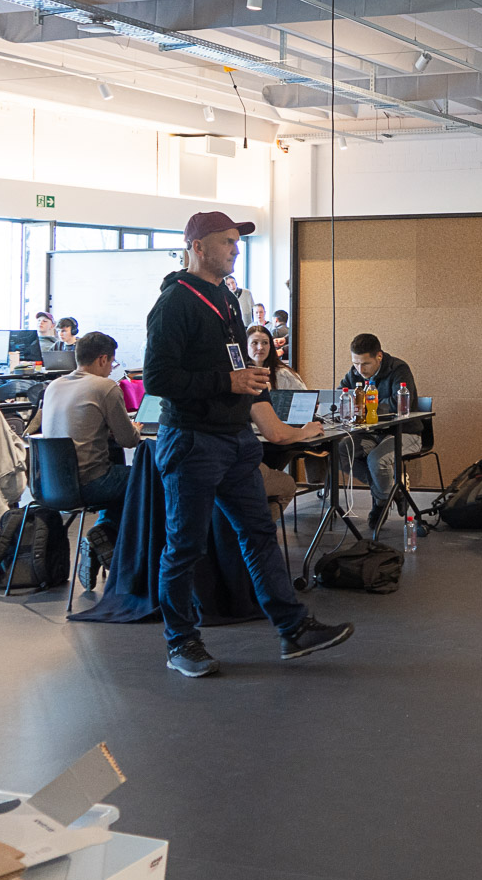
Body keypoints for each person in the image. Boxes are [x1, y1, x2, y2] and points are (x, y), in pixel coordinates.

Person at [143, 211, 352, 679]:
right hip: (192, 441)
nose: (235, 250)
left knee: (258, 535)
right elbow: (157, 378)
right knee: (185, 547)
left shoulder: (226, 299)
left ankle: (293, 628)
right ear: (198, 247)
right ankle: (181, 642)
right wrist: (227, 381)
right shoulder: (175, 303)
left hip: (235, 440)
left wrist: (265, 412)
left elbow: (242, 372)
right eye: (226, 242)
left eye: (237, 242)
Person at [39, 331, 139, 586]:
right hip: (90, 483)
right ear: (103, 359)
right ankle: (108, 537)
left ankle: (103, 537)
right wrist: (136, 428)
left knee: (116, 470)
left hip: (50, 485)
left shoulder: (54, 386)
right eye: (112, 363)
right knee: (145, 477)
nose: (111, 369)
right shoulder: (105, 387)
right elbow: (128, 440)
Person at [337, 333, 421, 529]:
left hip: (404, 431)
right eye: (356, 364)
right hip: (372, 432)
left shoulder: (399, 369)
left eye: (365, 364)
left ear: (379, 357)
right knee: (340, 451)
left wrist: (366, 405)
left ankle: (381, 503)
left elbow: (399, 403)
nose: (360, 370)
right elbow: (341, 393)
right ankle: (391, 491)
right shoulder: (355, 373)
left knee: (376, 460)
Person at [248, 325, 308, 391]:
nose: (260, 347)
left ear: (270, 346)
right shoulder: (241, 375)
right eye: (254, 343)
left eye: (265, 342)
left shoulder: (284, 374)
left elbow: (304, 396)